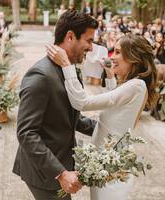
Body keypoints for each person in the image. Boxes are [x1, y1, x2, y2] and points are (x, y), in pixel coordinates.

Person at [46, 33, 158, 200]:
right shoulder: (133, 85)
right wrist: (110, 75)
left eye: (119, 52)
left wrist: (66, 65)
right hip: (105, 167)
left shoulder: (136, 85)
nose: (113, 56)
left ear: (134, 58)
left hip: (111, 171)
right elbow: (115, 106)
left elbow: (82, 102)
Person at [13, 11, 97, 200]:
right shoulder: (40, 76)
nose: (91, 48)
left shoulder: (70, 70)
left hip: (61, 162)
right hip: (44, 171)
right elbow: (26, 133)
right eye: (89, 41)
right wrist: (60, 173)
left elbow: (71, 118)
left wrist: (105, 129)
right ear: (70, 36)